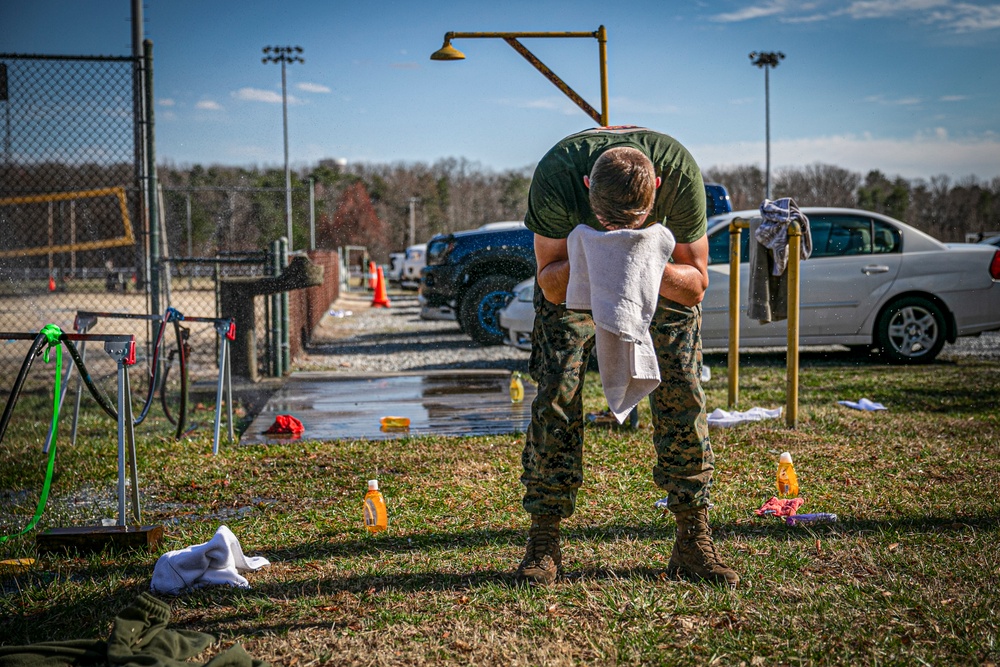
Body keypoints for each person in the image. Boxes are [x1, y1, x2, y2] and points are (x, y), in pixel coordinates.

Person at [516, 125, 739, 587]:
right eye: (607, 223)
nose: (620, 233)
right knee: (557, 390)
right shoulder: (557, 177)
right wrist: (601, 263)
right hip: (574, 286)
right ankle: (544, 539)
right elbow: (549, 282)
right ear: (586, 189)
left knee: (683, 388)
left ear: (656, 188)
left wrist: (640, 264)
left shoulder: (678, 177)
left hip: (659, 282)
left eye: (633, 223)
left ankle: (692, 537)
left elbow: (696, 285)